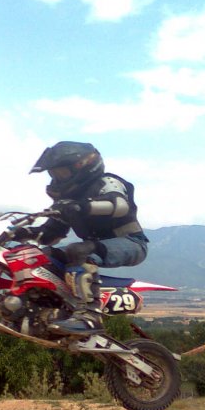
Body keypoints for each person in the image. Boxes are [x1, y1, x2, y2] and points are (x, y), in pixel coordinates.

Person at [25, 140, 149, 335]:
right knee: (44, 256)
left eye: (62, 173)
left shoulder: (107, 182)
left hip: (131, 243)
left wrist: (82, 207)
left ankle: (89, 316)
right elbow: (51, 234)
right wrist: (21, 233)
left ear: (82, 166)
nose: (57, 178)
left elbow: (119, 206)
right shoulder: (69, 202)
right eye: (54, 174)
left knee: (78, 250)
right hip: (95, 246)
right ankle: (51, 310)